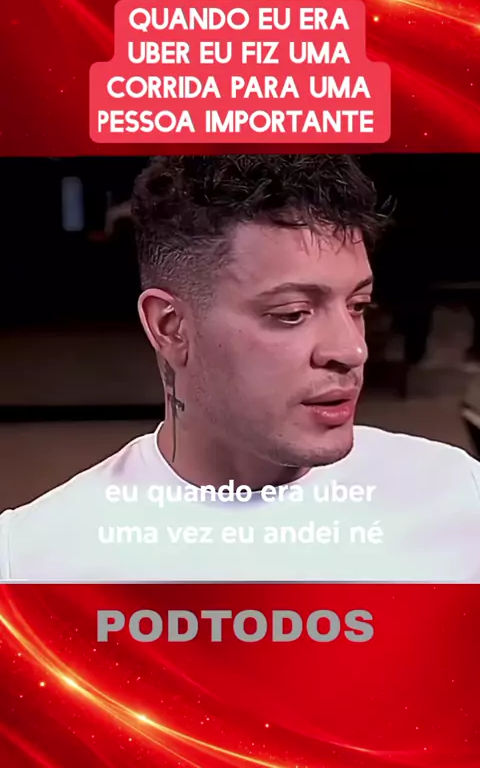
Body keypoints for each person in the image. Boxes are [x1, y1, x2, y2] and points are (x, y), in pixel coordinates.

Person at [1, 154, 479, 582]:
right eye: (292, 313)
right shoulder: (35, 564)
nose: (352, 350)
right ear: (170, 327)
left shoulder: (457, 499)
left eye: (358, 305)